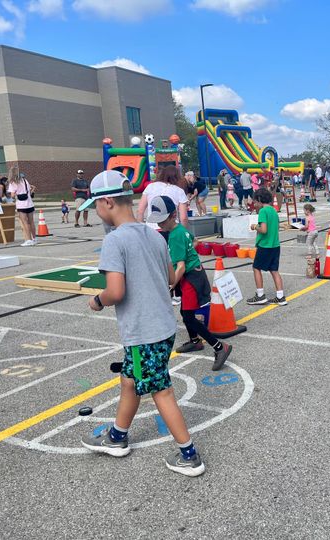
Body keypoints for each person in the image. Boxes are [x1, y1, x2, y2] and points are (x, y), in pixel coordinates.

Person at [78, 170, 205, 477]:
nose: (96, 213)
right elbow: (167, 280)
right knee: (129, 380)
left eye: (95, 205)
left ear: (107, 202)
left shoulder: (115, 241)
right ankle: (117, 437)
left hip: (143, 333)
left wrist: (98, 300)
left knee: (160, 390)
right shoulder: (154, 235)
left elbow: (116, 291)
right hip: (161, 326)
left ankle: (189, 455)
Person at [146, 195, 233, 370]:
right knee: (186, 312)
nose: (159, 225)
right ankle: (195, 341)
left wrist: (169, 286)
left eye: (162, 220)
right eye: (157, 221)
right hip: (193, 275)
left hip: (191, 278)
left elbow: (181, 267)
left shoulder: (175, 236)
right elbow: (194, 241)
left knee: (188, 316)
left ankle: (219, 347)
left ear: (172, 215)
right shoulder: (180, 230)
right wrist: (188, 252)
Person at [247, 188, 287, 306]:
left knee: (256, 268)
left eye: (255, 202)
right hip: (275, 245)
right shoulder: (274, 211)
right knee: (274, 270)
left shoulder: (263, 211)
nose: (254, 204)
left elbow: (263, 229)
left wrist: (255, 226)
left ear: (259, 200)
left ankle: (260, 295)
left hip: (265, 245)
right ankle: (280, 297)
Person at [136, 166, 189, 237]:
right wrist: (183, 234)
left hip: (151, 229)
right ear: (177, 177)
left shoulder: (150, 187)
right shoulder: (179, 191)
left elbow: (139, 211)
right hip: (171, 230)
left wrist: (142, 231)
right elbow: (184, 218)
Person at [8, 167, 37, 247]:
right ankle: (34, 239)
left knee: (25, 223)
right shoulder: (25, 180)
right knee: (31, 222)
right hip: (30, 203)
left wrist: (14, 196)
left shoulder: (13, 183)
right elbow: (29, 189)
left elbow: (13, 195)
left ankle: (28, 240)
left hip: (21, 205)